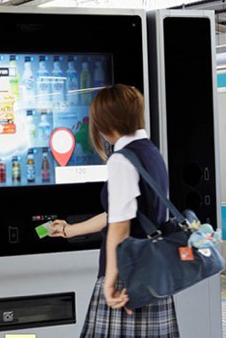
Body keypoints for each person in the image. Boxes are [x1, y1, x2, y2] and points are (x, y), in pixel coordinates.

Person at [50, 84, 179, 337]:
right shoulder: (150, 152)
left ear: (105, 123)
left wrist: (109, 281)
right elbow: (121, 213)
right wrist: (71, 229)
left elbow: (120, 226)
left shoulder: (122, 159)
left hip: (126, 275)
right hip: (151, 273)